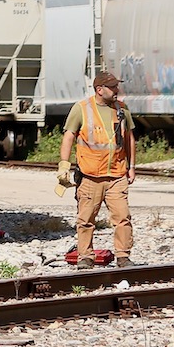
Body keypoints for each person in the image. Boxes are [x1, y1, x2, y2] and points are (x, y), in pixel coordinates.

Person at [57, 70, 137, 269]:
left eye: (117, 86)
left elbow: (129, 138)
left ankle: (123, 256)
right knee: (85, 219)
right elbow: (68, 136)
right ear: (100, 89)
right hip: (90, 176)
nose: (117, 90)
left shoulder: (122, 109)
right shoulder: (82, 109)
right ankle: (85, 256)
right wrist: (64, 166)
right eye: (112, 87)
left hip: (117, 174)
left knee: (123, 217)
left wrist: (132, 167)